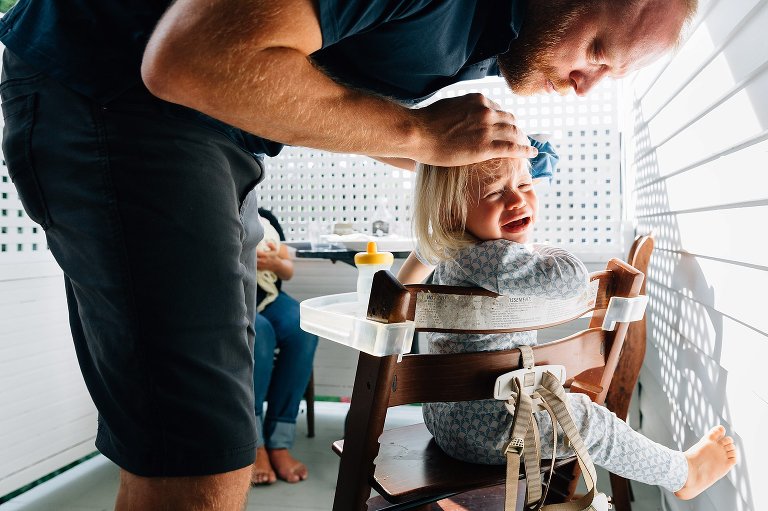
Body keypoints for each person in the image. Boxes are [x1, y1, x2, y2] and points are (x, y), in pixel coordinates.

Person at [0, 0, 698, 508]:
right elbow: (191, 57)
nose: (587, 83)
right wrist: (420, 135)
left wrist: (419, 143)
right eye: (599, 49)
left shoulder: (493, 33)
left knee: (199, 438)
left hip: (217, 131)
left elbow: (288, 84)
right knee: (198, 457)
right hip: (118, 92)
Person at [397, 151, 737, 501]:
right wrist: (539, 248)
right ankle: (683, 474)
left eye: (525, 184)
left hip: (447, 422)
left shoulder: (452, 257)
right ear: (452, 211)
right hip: (492, 433)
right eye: (494, 193)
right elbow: (571, 278)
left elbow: (403, 285)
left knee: (559, 404)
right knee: (593, 423)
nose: (516, 199)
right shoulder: (494, 260)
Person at [250, 208, 317, 485]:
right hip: (233, 296)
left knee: (304, 325)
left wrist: (272, 264)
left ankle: (278, 442)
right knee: (261, 333)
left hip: (271, 296)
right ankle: (254, 444)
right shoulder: (215, 211)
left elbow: (287, 270)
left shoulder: (265, 218)